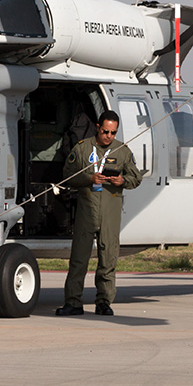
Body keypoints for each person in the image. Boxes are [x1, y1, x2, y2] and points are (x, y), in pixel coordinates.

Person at [56, 109, 141, 316]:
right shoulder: (82, 148)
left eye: (113, 132)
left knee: (108, 257)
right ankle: (73, 302)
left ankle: (104, 301)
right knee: (79, 258)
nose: (109, 136)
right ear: (97, 128)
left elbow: (136, 178)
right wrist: (89, 178)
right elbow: (67, 176)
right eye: (105, 131)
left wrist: (123, 181)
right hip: (87, 209)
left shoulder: (122, 151)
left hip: (110, 211)